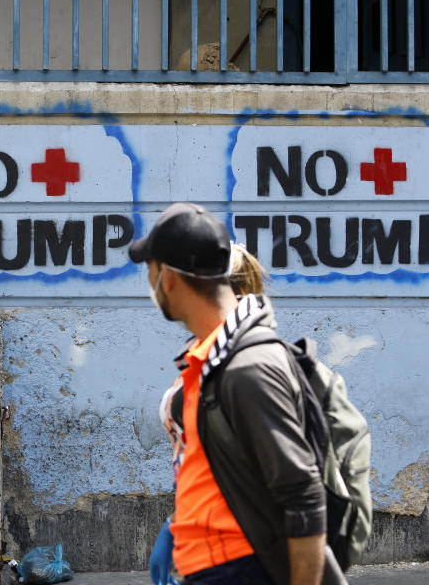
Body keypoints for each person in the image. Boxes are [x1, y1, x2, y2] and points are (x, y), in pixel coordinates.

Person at [131, 203, 327, 585]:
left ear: (168, 278)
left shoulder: (247, 368)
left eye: (150, 271)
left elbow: (303, 496)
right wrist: (178, 524)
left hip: (238, 568)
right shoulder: (209, 361)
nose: (150, 283)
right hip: (209, 564)